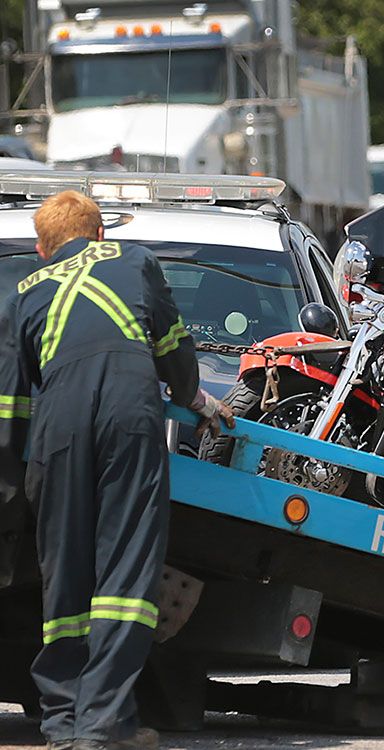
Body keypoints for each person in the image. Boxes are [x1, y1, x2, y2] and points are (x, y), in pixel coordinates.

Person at [0, 191, 235, 750]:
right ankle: (103, 726)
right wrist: (195, 399)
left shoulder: (22, 295)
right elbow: (175, 352)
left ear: (41, 248)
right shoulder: (135, 262)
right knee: (125, 575)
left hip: (57, 432)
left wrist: (10, 489)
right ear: (100, 234)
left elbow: (11, 405)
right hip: (129, 418)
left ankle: (61, 723)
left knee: (66, 574)